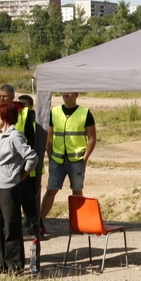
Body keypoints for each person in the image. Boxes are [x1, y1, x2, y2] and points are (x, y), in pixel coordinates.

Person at [0, 103, 38, 273]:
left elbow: (32, 157)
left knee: (11, 227)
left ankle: (14, 266)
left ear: (5, 117)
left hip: (9, 187)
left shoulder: (14, 136)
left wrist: (21, 175)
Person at [0, 84, 42, 248]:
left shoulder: (24, 113)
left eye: (5, 96)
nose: (2, 99)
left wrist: (23, 172)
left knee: (25, 207)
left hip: (15, 174)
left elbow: (31, 145)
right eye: (0, 96)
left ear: (12, 96)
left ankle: (36, 227)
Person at [39, 92, 97, 221]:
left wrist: (85, 158)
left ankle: (78, 222)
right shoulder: (54, 112)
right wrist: (50, 155)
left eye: (69, 92)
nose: (66, 94)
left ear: (76, 95)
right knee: (51, 190)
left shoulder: (85, 113)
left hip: (76, 161)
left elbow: (92, 138)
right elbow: (49, 137)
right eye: (64, 91)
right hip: (57, 159)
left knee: (77, 191)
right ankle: (40, 222)